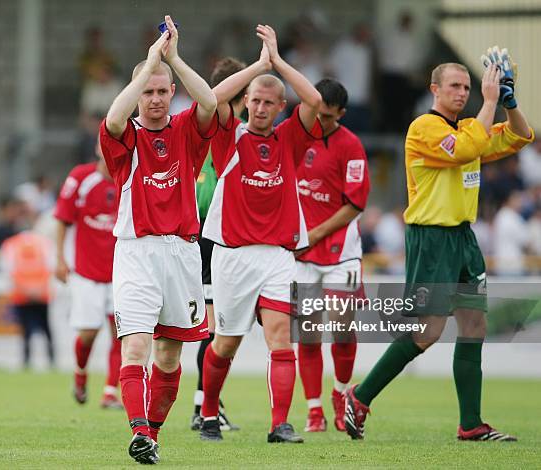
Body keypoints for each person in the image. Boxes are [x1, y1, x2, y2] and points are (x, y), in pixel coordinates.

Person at [344, 56, 534, 442]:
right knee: (427, 332)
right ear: (435, 90)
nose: (463, 93)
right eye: (455, 87)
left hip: (462, 238)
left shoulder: (470, 126)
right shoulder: (424, 128)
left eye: (467, 87)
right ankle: (359, 397)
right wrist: (488, 100)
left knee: (475, 326)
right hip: (431, 238)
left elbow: (520, 135)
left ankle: (470, 423)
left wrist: (509, 103)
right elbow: (465, 150)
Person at [99, 15, 217, 464]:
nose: (154, 98)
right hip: (136, 252)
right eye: (147, 90)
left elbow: (209, 103)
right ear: (137, 95)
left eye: (161, 90)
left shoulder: (187, 130)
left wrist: (173, 59)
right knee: (136, 345)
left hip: (182, 254)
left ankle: (153, 432)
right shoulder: (125, 137)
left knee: (169, 358)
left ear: (172, 93)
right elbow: (113, 116)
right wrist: (149, 62)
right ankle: (138, 431)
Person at [199, 24, 321, 444]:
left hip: (277, 257)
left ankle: (279, 424)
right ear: (246, 102)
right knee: (225, 344)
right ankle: (209, 412)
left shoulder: (289, 137)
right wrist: (259, 65)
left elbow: (316, 100)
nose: (261, 108)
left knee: (280, 338)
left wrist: (279, 62)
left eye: (270, 102)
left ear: (281, 106)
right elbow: (212, 98)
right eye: (255, 101)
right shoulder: (228, 137)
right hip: (233, 255)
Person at [295, 79, 370, 433]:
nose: (319, 120)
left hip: (341, 252)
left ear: (340, 113)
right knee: (308, 334)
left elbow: (355, 203)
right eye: (315, 112)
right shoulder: (293, 135)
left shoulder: (351, 146)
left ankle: (341, 394)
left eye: (326, 115)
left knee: (341, 329)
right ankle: (313, 410)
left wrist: (314, 234)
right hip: (300, 256)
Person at [190, 57, 246, 433]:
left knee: (215, 329)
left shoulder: (214, 126)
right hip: (210, 237)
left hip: (211, 236)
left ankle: (206, 404)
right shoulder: (223, 127)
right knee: (212, 330)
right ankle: (202, 406)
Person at [53, 139, 122, 409]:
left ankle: (109, 392)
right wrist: (59, 258)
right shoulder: (80, 178)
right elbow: (62, 219)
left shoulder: (129, 176)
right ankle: (80, 374)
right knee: (88, 333)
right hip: (86, 273)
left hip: (121, 273)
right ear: (97, 149)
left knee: (121, 332)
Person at [0, 224, 56, 369]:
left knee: (26, 332)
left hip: (22, 295)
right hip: (41, 295)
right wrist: (37, 289)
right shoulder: (45, 243)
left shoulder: (11, 244)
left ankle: (27, 360)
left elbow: (6, 270)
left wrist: (26, 289)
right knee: (46, 330)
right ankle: (51, 360)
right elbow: (52, 267)